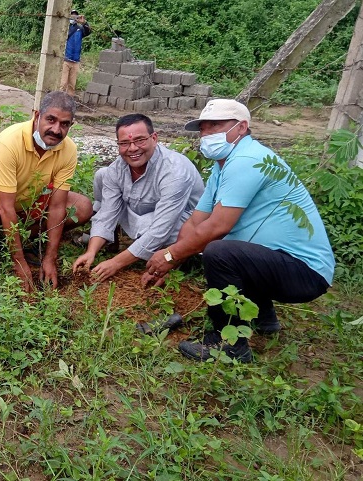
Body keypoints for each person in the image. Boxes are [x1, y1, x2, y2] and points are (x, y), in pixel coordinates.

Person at [144, 99, 335, 362]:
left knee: (219, 251)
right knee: (229, 249)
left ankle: (229, 345)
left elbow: (217, 226)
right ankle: (262, 318)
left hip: (305, 273)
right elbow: (195, 222)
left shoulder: (248, 160)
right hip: (279, 262)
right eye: (203, 127)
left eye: (216, 125)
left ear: (242, 127)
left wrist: (170, 255)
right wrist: (172, 261)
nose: (207, 133)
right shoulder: (222, 166)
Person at [0, 91, 93, 292]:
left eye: (64, 124)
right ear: (37, 114)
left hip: (26, 204)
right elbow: (5, 207)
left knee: (82, 207)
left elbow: (57, 205)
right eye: (51, 119)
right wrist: (19, 261)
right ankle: (5, 242)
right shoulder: (10, 142)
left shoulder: (68, 150)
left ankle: (9, 240)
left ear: (70, 125)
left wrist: (50, 257)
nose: (56, 129)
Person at [72, 114, 204, 282]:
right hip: (144, 213)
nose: (133, 148)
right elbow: (107, 213)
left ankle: (176, 259)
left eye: (140, 140)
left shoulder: (174, 171)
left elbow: (161, 229)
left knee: (150, 229)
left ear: (154, 138)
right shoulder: (118, 168)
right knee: (102, 175)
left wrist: (115, 263)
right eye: (125, 143)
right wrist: (91, 252)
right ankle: (110, 239)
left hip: (180, 222)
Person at [60, 10, 92, 98]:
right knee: (62, 83)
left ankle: (69, 102)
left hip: (75, 61)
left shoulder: (80, 29)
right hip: (65, 59)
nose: (73, 18)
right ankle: (59, 101)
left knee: (72, 85)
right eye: (72, 16)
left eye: (75, 16)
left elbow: (88, 31)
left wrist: (84, 23)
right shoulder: (64, 28)